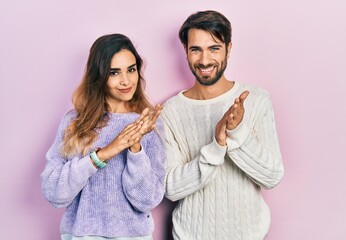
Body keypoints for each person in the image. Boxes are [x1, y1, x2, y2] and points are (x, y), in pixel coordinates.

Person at [161, 10, 284, 240]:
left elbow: (272, 176)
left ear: (229, 48)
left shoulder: (257, 99)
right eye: (195, 49)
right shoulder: (171, 111)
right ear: (186, 52)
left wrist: (236, 134)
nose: (205, 60)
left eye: (214, 48)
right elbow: (171, 188)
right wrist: (217, 146)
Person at [41, 33, 166, 240]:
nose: (126, 81)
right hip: (82, 236)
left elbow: (148, 200)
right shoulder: (75, 123)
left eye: (131, 70)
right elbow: (54, 192)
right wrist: (103, 155)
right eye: (114, 72)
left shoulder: (149, 124)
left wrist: (135, 149)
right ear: (99, 76)